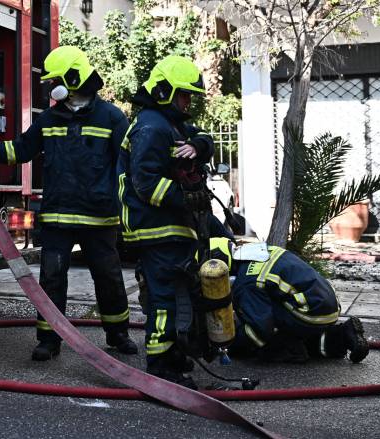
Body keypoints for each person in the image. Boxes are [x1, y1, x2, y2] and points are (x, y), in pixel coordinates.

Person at [0, 46, 137, 360]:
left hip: (99, 218)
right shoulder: (50, 119)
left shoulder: (111, 118)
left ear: (74, 77)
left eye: (56, 80)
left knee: (109, 278)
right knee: (52, 279)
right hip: (58, 216)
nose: (52, 87)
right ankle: (49, 340)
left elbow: (128, 163)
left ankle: (118, 334)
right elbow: (21, 150)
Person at [117, 55, 214, 388]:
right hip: (155, 229)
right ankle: (160, 366)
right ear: (163, 91)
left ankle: (173, 355)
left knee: (176, 296)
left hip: (172, 229)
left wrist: (199, 146)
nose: (188, 102)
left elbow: (202, 138)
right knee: (163, 300)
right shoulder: (151, 126)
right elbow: (145, 182)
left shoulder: (170, 124)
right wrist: (184, 198)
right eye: (183, 95)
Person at [207, 237, 370, 364]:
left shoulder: (246, 282)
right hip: (327, 306)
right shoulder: (260, 252)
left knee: (262, 332)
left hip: (309, 312)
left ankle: (288, 348)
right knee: (271, 313)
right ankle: (344, 335)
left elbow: (260, 330)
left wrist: (232, 345)